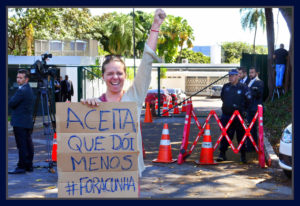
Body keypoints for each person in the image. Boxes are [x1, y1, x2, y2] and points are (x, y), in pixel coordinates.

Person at [81, 9, 166, 177]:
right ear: (103, 76)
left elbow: (147, 61)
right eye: (110, 73)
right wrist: (85, 108)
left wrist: (155, 26)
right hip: (101, 174)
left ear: (125, 76)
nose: (115, 77)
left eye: (119, 73)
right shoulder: (95, 104)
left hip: (129, 174)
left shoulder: (133, 97)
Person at [217, 69, 251, 164]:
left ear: (237, 76)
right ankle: (222, 154)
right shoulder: (226, 87)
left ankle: (243, 156)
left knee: (241, 136)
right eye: (229, 76)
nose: (230, 77)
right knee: (225, 135)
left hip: (239, 117)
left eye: (232, 76)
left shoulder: (244, 87)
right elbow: (223, 98)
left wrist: (242, 109)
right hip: (226, 116)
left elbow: (248, 101)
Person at [8, 69, 34, 174]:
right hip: (25, 121)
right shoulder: (27, 89)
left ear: (26, 79)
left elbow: (11, 103)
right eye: (17, 77)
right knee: (27, 144)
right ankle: (28, 165)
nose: (18, 79)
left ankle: (21, 166)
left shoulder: (22, 90)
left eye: (20, 78)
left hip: (20, 122)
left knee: (22, 145)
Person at [246, 67, 264, 152]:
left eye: (252, 72)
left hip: (255, 109)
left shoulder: (259, 82)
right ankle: (250, 146)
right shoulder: (250, 82)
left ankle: (252, 147)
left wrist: (249, 92)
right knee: (250, 128)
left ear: (257, 73)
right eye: (250, 72)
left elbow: (257, 94)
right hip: (249, 108)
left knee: (253, 128)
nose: (250, 74)